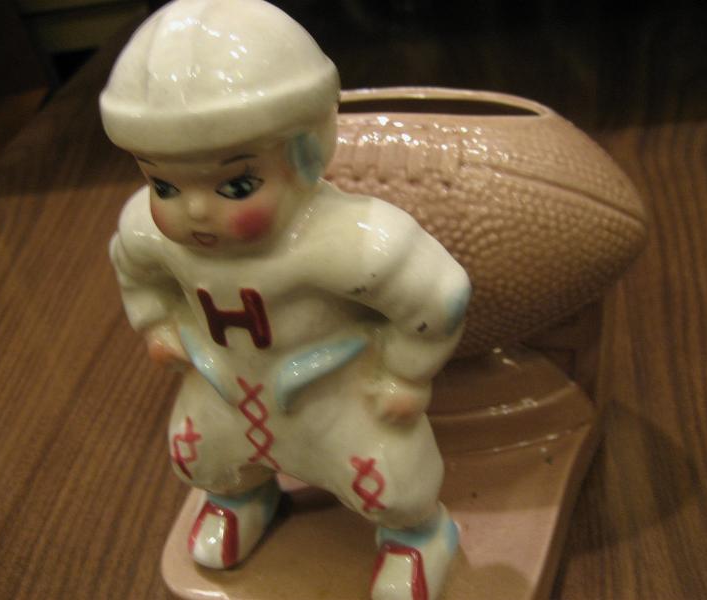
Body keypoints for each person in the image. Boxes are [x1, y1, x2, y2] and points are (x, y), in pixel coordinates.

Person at [101, 1, 470, 598]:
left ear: (305, 153)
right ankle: (241, 499)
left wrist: (405, 373)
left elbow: (437, 297)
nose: (194, 209)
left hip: (329, 388)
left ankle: (418, 537)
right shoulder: (150, 231)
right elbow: (133, 269)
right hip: (224, 381)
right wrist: (157, 324)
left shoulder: (346, 243)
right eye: (164, 183)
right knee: (200, 456)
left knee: (388, 481)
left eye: (236, 184)